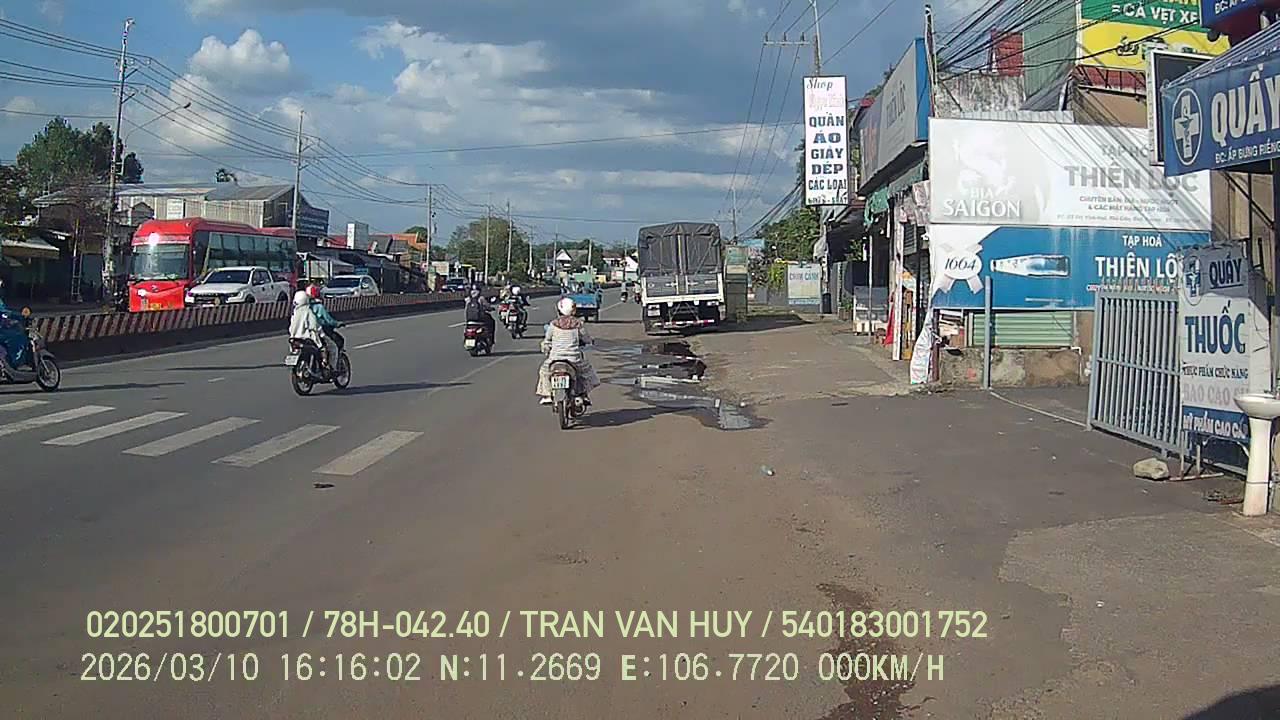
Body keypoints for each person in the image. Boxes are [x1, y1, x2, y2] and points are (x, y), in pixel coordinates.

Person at [536, 297, 600, 405]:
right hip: (574, 359)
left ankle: (547, 395)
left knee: (544, 371)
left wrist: (546, 347)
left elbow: (547, 339)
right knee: (586, 372)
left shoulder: (553, 324)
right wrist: (590, 341)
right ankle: (583, 395)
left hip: (555, 358)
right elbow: (586, 338)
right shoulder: (578, 324)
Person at [288, 290, 336, 370]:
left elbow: (291, 328)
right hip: (309, 338)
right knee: (325, 348)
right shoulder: (308, 311)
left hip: (295, 338)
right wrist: (322, 334)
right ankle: (325, 364)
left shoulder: (294, 313)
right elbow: (314, 326)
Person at [306, 284, 345, 352]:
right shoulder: (319, 307)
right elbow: (328, 320)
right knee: (338, 341)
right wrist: (337, 324)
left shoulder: (303, 307)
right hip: (321, 330)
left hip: (306, 331)